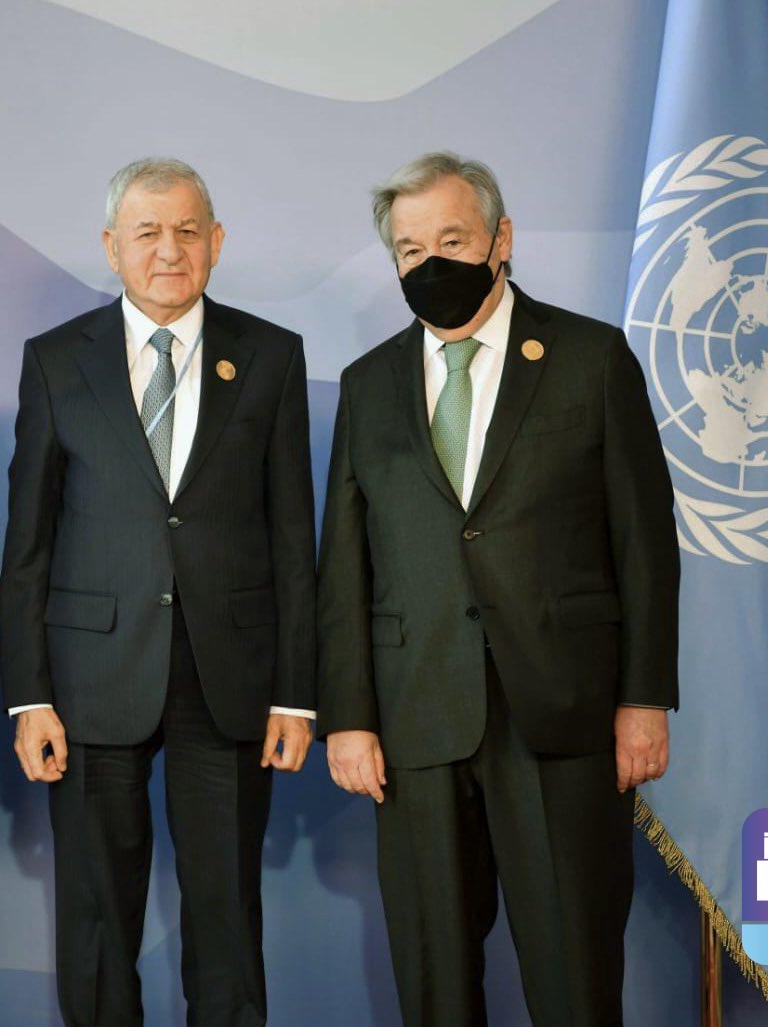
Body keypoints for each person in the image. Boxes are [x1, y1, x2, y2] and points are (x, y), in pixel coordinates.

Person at [317, 151, 680, 1026]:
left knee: (573, 971)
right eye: (409, 250)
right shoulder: (367, 384)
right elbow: (345, 563)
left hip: (561, 714)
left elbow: (643, 543)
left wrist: (642, 700)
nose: (429, 263)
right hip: (415, 718)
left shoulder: (590, 357)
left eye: (450, 240)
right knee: (434, 981)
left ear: (499, 238)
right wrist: (349, 716)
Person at [0, 157, 317, 1026]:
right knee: (97, 917)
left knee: (226, 913)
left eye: (186, 230)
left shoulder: (271, 356)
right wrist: (28, 695)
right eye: (147, 232)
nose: (168, 250)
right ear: (112, 246)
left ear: (216, 241)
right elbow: (26, 545)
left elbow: (294, 539)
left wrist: (295, 694)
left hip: (230, 676)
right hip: (88, 679)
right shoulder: (55, 360)